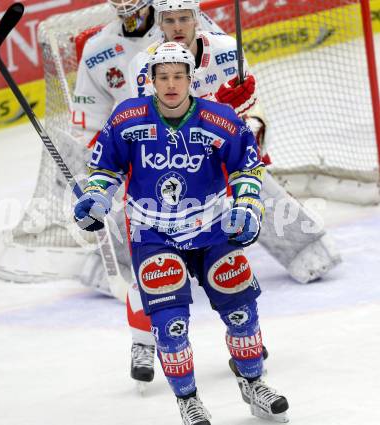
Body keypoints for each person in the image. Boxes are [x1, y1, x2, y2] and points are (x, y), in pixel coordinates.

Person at [123, 0, 341, 388]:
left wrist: (246, 116)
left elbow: (255, 119)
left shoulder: (226, 51)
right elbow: (156, 122)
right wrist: (223, 109)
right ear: (160, 22)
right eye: (169, 19)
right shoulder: (146, 64)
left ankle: (245, 342)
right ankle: (150, 339)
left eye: (184, 18)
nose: (177, 26)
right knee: (159, 265)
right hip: (177, 176)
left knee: (230, 262)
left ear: (196, 18)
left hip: (224, 167)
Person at [74, 42, 289, 424]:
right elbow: (106, 169)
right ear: (151, 81)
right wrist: (95, 198)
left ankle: (254, 385)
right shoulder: (128, 118)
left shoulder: (218, 118)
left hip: (212, 229)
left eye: (178, 76)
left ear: (191, 79)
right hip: (154, 233)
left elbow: (247, 167)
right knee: (171, 328)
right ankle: (188, 401)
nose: (171, 84)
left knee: (242, 312)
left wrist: (247, 206)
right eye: (163, 77)